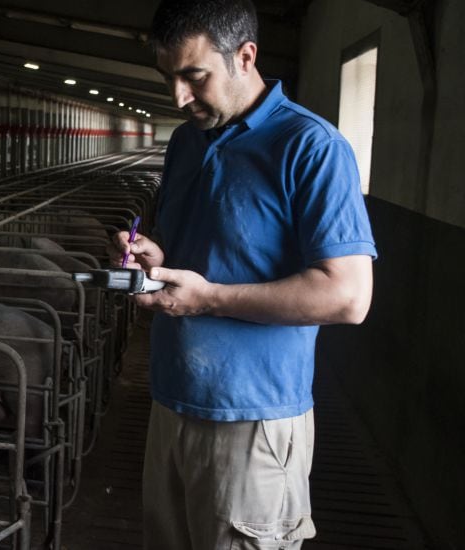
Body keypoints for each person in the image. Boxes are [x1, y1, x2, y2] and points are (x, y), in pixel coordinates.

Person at [113, 0, 378, 548]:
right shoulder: (187, 143)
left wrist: (207, 297)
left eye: (194, 76)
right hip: (170, 400)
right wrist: (158, 263)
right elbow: (206, 256)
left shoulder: (311, 146)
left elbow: (348, 295)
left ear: (245, 56)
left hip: (253, 419)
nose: (178, 97)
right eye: (168, 79)